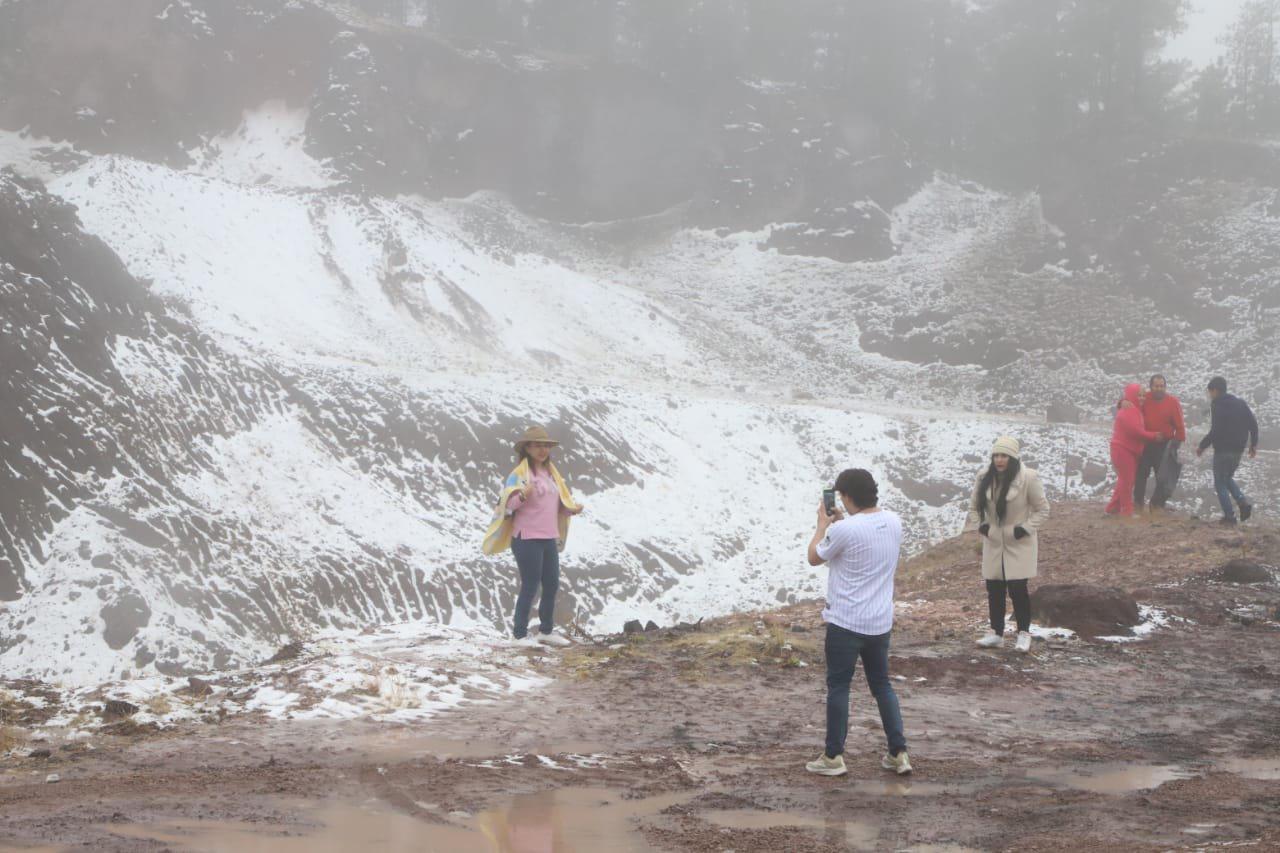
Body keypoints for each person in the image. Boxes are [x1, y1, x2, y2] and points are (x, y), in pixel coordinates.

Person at [804, 469, 911, 778]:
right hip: (879, 622)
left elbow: (814, 556)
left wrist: (822, 526)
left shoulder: (844, 531)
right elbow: (865, 537)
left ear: (847, 496)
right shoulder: (894, 522)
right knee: (882, 685)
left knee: (839, 686)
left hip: (846, 621)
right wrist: (842, 522)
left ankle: (833, 756)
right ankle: (898, 752)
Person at [481, 426, 584, 646]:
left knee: (552, 584)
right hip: (526, 537)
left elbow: (555, 506)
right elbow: (506, 505)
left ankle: (546, 631)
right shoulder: (519, 474)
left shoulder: (552, 474)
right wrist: (523, 497)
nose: (543, 450)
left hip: (548, 537)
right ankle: (519, 635)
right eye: (537, 445)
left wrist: (570, 509)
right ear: (527, 448)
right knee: (530, 585)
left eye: (546, 445)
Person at [964, 437, 1051, 653]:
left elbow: (1043, 509)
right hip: (993, 540)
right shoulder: (984, 477)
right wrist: (982, 526)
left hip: (1019, 541)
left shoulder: (1028, 478)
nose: (999, 460)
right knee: (994, 588)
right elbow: (973, 507)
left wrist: (1024, 529)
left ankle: (1023, 633)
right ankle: (996, 632)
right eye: (996, 455)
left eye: (1004, 456)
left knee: (1018, 589)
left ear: (1013, 458)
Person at [1196, 377, 1260, 526]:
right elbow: (1253, 424)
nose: (1210, 395)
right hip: (1238, 450)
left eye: (1210, 392)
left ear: (1215, 390)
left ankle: (1229, 517)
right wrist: (1253, 444)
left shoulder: (1217, 405)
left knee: (1220, 482)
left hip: (1223, 450)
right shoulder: (1240, 403)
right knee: (1226, 477)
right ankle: (1243, 504)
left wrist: (1202, 445)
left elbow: (1216, 430)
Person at [1106, 384, 1166, 518]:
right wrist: (1153, 435)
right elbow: (1135, 431)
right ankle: (1127, 511)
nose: (1142, 398)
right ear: (1132, 396)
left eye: (1144, 395)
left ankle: (1112, 507)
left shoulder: (1133, 408)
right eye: (1139, 395)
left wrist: (1122, 401)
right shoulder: (1130, 410)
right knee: (1127, 481)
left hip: (1126, 450)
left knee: (1125, 479)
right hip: (1123, 449)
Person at [1134, 374, 1186, 514]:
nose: (1159, 388)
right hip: (1144, 443)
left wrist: (1177, 441)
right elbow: (1131, 401)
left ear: (1165, 387)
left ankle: (1156, 505)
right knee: (1140, 476)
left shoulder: (1173, 402)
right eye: (1156, 386)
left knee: (1163, 477)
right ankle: (1137, 505)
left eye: (1162, 386)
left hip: (1164, 445)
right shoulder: (1145, 397)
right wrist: (1121, 403)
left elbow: (1180, 425)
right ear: (1151, 386)